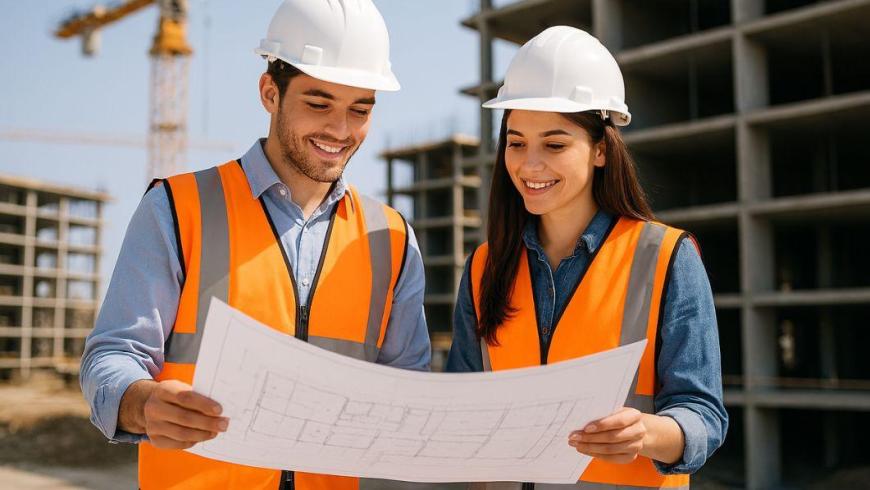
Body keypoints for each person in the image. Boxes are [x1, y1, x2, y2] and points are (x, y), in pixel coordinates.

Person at [80, 1, 430, 488]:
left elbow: (407, 390)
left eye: (360, 109)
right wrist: (142, 403)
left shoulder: (390, 236)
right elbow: (111, 356)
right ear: (270, 92)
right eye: (318, 103)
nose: (340, 130)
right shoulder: (177, 208)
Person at [447, 26, 728, 489]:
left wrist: (648, 432)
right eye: (516, 143)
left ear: (600, 149)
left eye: (554, 144)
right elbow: (463, 413)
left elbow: (704, 417)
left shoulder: (666, 258)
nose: (529, 164)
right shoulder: (484, 267)